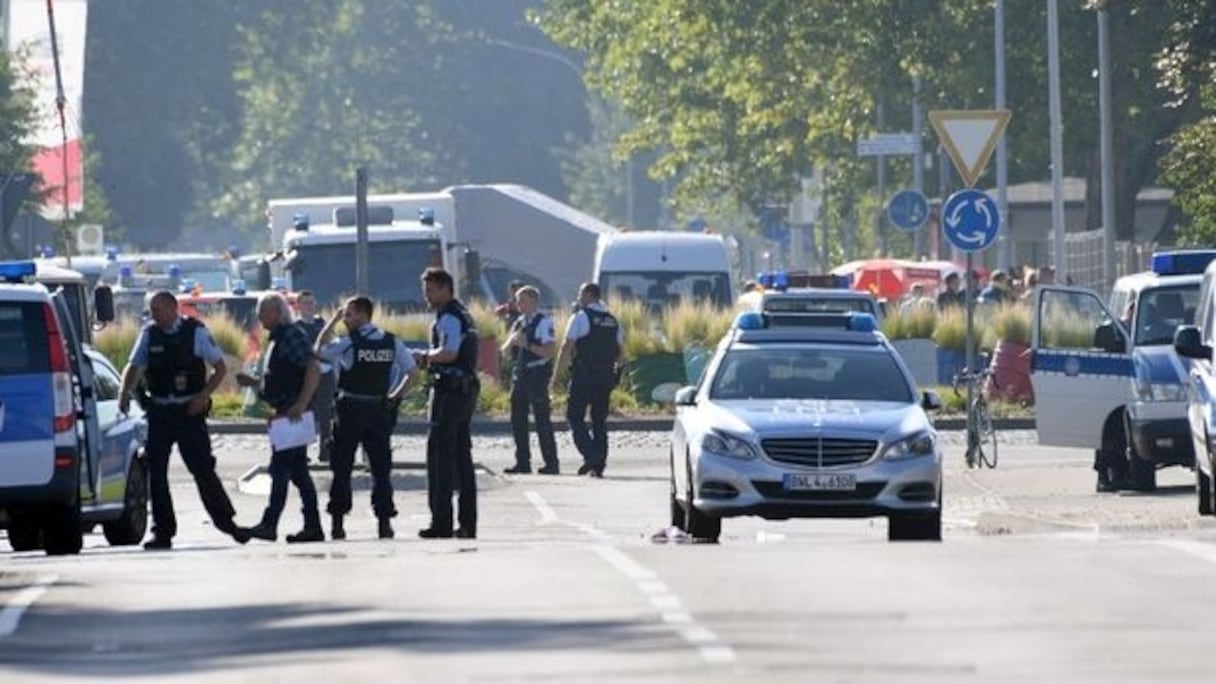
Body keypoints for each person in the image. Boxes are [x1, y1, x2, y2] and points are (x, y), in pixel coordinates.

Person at [118, 291, 250, 550]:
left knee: (202, 469)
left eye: (157, 309)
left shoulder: (196, 332)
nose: (153, 314)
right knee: (155, 473)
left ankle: (228, 524)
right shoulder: (149, 334)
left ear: (172, 308)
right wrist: (123, 394)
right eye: (151, 310)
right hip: (160, 412)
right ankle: (162, 532)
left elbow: (220, 368)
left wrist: (203, 396)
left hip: (189, 412)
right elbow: (133, 367)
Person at [315, 295, 417, 540]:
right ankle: (384, 522)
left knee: (342, 468)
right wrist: (394, 397)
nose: (346, 318)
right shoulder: (391, 341)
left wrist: (332, 321)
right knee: (381, 469)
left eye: (349, 314)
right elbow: (412, 372)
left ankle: (338, 523)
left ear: (362, 314)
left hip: (350, 408)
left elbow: (318, 350)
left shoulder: (349, 343)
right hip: (378, 409)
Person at [235, 292, 325, 543]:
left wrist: (301, 403)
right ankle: (312, 526)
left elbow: (313, 368)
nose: (260, 317)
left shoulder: (292, 335)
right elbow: (280, 375)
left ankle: (270, 523)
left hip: (292, 413)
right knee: (298, 473)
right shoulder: (278, 338)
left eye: (263, 311)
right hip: (285, 411)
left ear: (277, 311)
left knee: (281, 469)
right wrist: (254, 382)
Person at [414, 267, 480, 539]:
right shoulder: (462, 314)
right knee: (462, 457)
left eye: (430, 290)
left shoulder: (450, 317)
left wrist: (425, 356)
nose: (427, 296)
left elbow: (450, 352)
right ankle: (466, 524)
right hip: (464, 389)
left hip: (450, 391)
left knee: (440, 456)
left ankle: (441, 522)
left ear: (444, 288)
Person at [552, 282, 623, 478]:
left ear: (589, 295)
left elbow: (567, 346)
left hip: (584, 375)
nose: (578, 298)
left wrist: (556, 375)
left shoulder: (581, 317)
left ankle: (591, 455)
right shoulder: (613, 320)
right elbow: (620, 353)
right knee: (599, 420)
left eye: (580, 294)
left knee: (574, 417)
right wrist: (615, 372)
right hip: (605, 375)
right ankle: (598, 464)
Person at [502, 286, 559, 475]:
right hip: (520, 374)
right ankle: (522, 462)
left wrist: (527, 344)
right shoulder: (519, 322)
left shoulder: (544, 322)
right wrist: (511, 342)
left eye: (522, 300)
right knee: (518, 421)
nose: (518, 304)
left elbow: (548, 351)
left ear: (533, 301)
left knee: (542, 420)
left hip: (536, 374)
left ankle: (551, 462)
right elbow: (505, 350)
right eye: (518, 301)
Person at [295, 290, 336, 463]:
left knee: (326, 413)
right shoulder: (295, 326)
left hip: (325, 372)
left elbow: (330, 343)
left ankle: (325, 450)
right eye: (305, 303)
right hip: (305, 374)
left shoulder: (321, 323)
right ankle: (302, 453)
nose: (309, 306)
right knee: (305, 412)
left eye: (311, 303)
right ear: (299, 306)